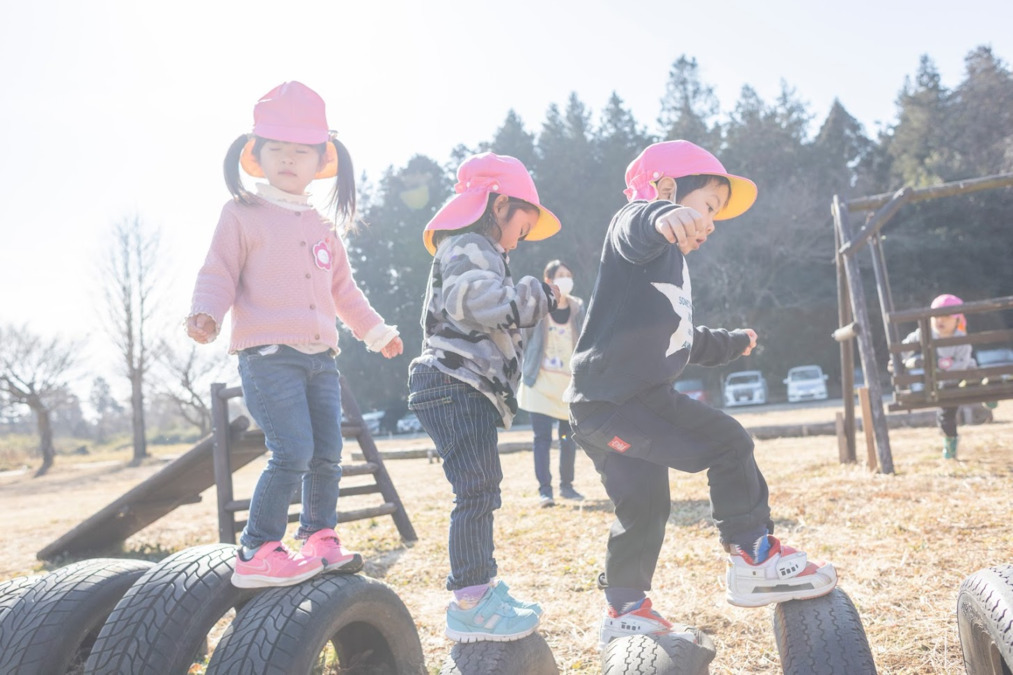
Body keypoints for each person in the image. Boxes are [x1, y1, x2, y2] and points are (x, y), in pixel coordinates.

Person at [565, 140, 838, 651]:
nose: (710, 223)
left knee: (644, 509)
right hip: (625, 400)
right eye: (708, 206)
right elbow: (632, 223)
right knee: (728, 444)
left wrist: (734, 343)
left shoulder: (669, 271)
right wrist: (660, 215)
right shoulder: (640, 234)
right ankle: (754, 555)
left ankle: (625, 610)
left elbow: (681, 340)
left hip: (600, 411)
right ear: (667, 189)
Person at [186, 81, 404, 589]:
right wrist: (206, 313)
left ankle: (319, 537)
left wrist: (375, 333)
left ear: (319, 162)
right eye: (277, 150)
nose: (289, 159)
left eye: (301, 152)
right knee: (292, 450)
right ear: (256, 157)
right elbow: (218, 271)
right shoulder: (241, 213)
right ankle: (257, 548)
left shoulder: (321, 225)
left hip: (320, 359)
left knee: (329, 452)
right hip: (268, 356)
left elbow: (345, 291)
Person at [407, 152, 561, 643]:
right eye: (524, 223)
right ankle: (470, 602)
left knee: (483, 486)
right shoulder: (467, 246)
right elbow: (475, 302)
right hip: (453, 383)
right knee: (475, 489)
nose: (525, 236)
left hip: (463, 386)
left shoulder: (484, 251)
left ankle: (483, 586)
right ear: (499, 205)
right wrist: (537, 294)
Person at [519, 259, 586, 507]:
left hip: (569, 384)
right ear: (548, 280)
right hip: (540, 380)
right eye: (560, 275)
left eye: (568, 274)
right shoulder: (538, 306)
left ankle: (567, 486)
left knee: (568, 437)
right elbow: (522, 335)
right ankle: (545, 490)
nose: (566, 278)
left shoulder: (579, 308)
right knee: (542, 439)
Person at [899, 293, 977, 459]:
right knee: (945, 414)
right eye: (936, 317)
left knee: (973, 373)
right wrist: (899, 359)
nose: (940, 321)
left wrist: (946, 374)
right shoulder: (925, 333)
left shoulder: (960, 338)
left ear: (957, 320)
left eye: (946, 317)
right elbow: (906, 345)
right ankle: (950, 442)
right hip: (938, 384)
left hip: (956, 380)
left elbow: (962, 362)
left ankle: (987, 396)